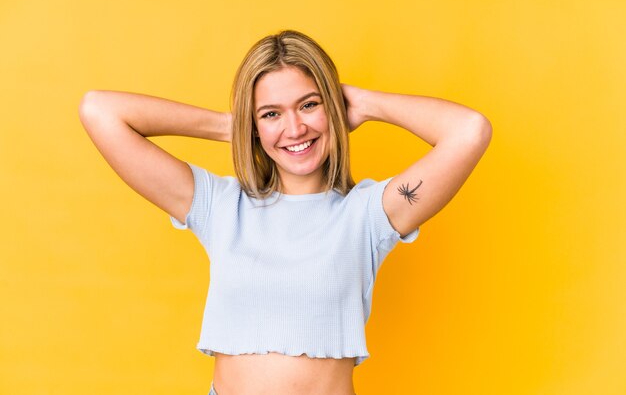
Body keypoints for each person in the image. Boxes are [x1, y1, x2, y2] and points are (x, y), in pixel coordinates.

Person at [79, 29, 492, 395]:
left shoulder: (367, 215)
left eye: (309, 105)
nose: (294, 129)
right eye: (272, 113)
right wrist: (235, 125)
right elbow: (100, 111)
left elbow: (469, 130)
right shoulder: (220, 205)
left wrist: (363, 104)